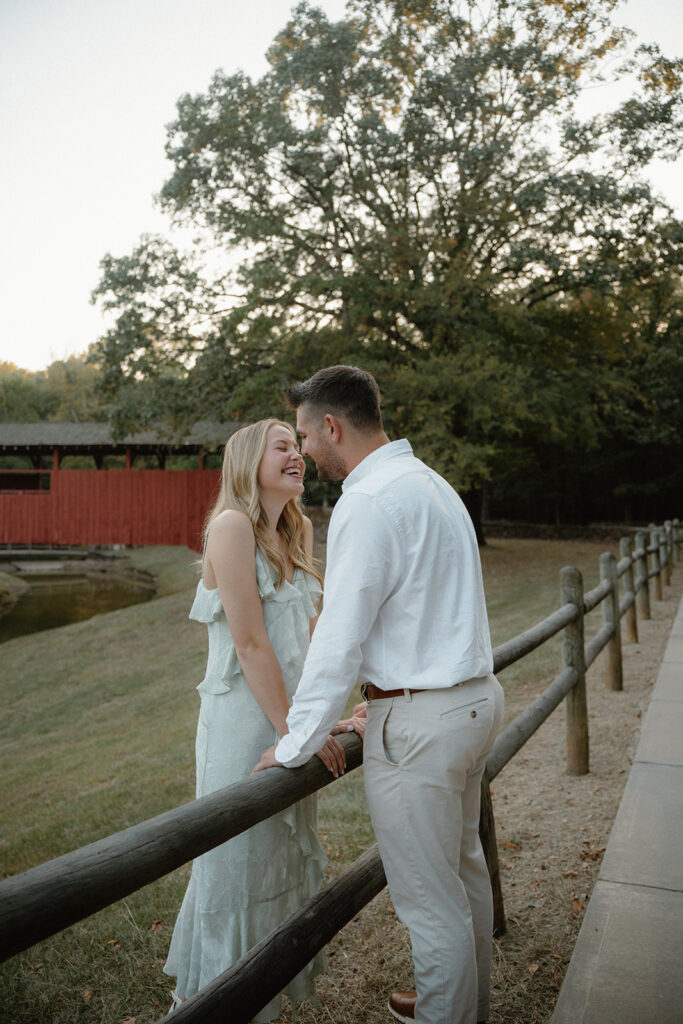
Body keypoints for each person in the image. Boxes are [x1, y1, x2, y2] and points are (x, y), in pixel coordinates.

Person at [254, 367, 504, 1024]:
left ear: (331, 426)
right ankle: (466, 1010)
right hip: (472, 699)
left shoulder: (367, 501)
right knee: (464, 871)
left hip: (421, 719)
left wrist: (296, 742)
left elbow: (339, 636)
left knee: (429, 903)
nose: (305, 450)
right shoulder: (432, 484)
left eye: (306, 436)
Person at [164, 418, 355, 1020]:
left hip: (288, 720)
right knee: (238, 861)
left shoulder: (295, 533)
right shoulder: (231, 526)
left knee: (277, 851)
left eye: (299, 448)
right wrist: (297, 732)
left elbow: (315, 641)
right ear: (250, 460)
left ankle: (260, 994)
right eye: (283, 446)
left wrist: (334, 712)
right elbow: (250, 645)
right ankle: (213, 1004)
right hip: (247, 726)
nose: (298, 455)